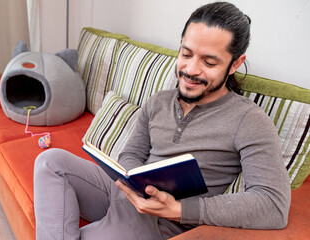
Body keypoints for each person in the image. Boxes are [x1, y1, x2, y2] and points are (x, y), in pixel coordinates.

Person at [33, 2, 291, 240]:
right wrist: (135, 183)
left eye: (209, 62)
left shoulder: (250, 120)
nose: (191, 70)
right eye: (186, 54)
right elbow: (131, 153)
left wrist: (179, 209)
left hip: (162, 221)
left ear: (235, 64)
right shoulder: (158, 102)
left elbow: (273, 205)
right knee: (50, 161)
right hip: (125, 194)